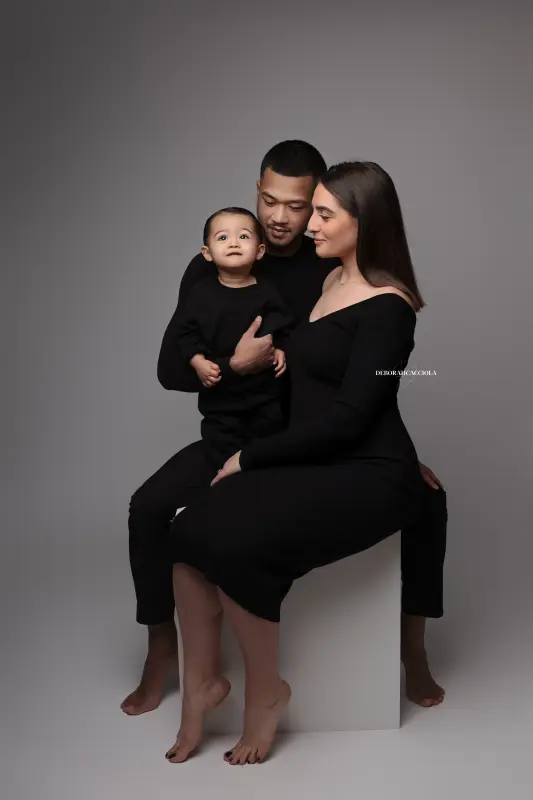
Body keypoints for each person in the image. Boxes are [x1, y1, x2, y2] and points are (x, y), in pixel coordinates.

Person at [122, 140, 447, 720]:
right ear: (256, 192)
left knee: (428, 502)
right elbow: (171, 368)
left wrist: (388, 446)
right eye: (269, 201)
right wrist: (233, 370)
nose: (279, 218)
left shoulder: (332, 264)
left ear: (320, 204)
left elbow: (367, 373)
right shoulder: (218, 259)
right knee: (148, 509)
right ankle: (160, 650)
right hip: (237, 430)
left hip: (308, 436)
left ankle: (413, 650)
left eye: (301, 207)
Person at [174, 206, 293, 472]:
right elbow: (184, 333)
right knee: (222, 458)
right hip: (221, 402)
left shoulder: (266, 290)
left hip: (265, 397)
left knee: (268, 452)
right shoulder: (200, 294)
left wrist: (281, 348)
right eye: (223, 238)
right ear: (207, 253)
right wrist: (197, 362)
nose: (234, 244)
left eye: (243, 237)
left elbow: (282, 323)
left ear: (260, 251)